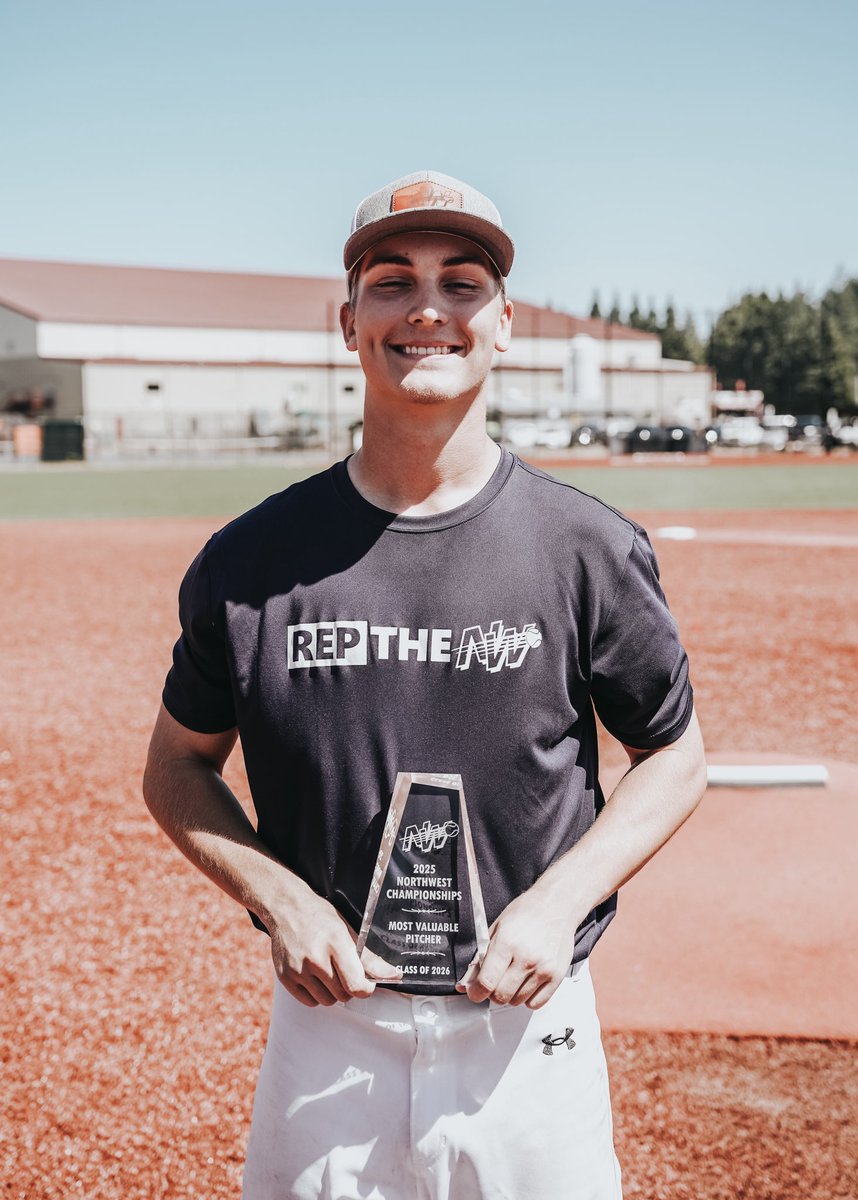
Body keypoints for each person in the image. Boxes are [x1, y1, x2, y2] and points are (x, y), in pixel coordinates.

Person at [144, 169, 707, 1200]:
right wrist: (280, 901)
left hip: (527, 1033)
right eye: (394, 281)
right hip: (329, 1032)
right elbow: (177, 766)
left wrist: (558, 905)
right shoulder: (250, 560)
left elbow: (674, 755)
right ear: (348, 322)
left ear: (503, 325)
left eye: (462, 282)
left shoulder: (585, 547)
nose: (428, 309)